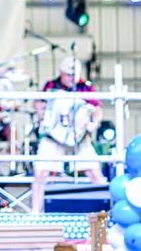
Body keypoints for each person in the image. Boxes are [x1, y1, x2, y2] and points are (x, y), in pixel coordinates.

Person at [31, 56, 105, 213]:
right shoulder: (51, 86)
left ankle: (103, 212)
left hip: (79, 138)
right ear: (61, 73)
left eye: (74, 75)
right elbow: (38, 103)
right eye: (68, 75)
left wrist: (93, 123)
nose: (72, 78)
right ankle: (35, 213)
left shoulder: (85, 87)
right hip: (54, 137)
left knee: (95, 173)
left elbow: (97, 109)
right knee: (40, 173)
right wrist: (42, 113)